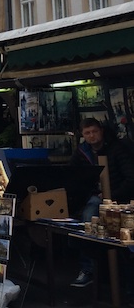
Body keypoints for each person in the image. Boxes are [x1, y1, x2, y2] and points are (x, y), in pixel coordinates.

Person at [69, 118, 134, 287]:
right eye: (87, 133)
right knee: (83, 221)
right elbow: (73, 176)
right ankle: (89, 268)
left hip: (120, 198)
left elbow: (130, 179)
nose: (92, 136)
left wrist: (112, 195)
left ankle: (89, 269)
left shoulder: (117, 149)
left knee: (89, 216)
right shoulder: (82, 152)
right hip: (95, 195)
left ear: (101, 131)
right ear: (82, 135)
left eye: (94, 131)